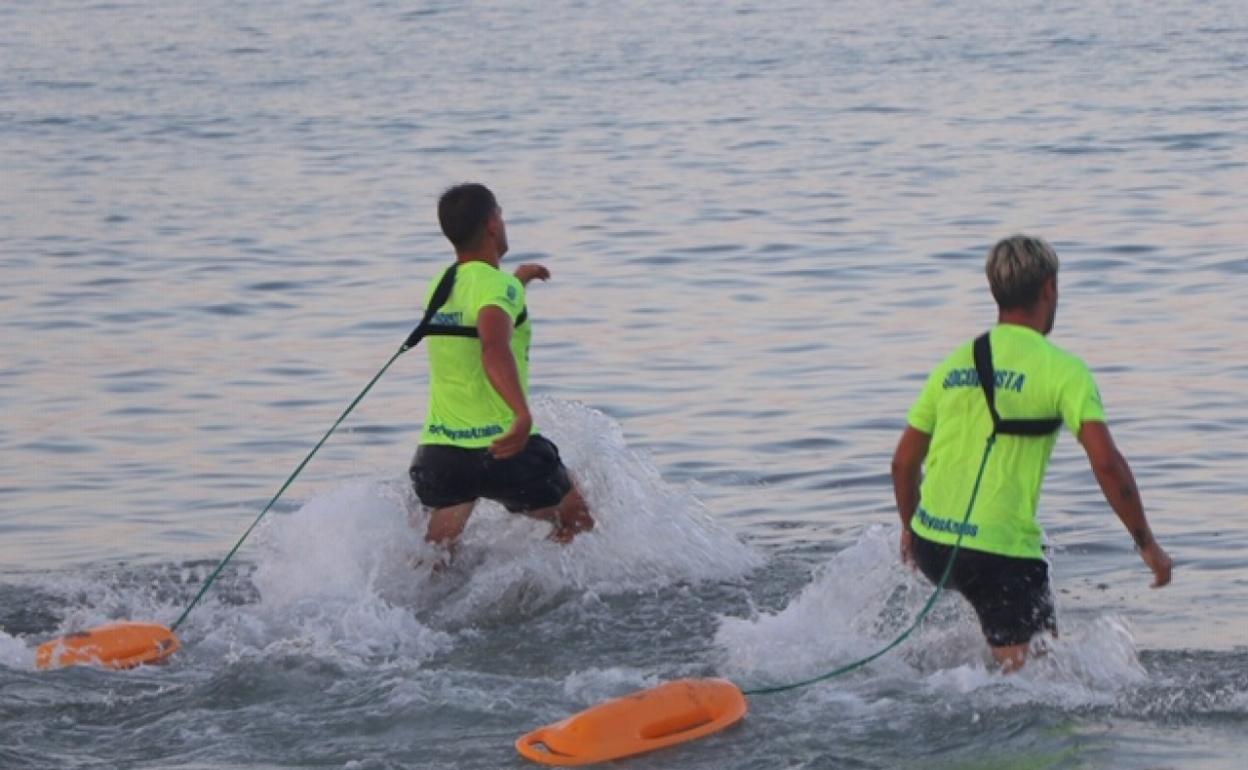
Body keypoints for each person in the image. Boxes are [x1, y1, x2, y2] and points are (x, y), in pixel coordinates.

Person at [890, 235, 1172, 671]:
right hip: (999, 554)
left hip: (934, 545)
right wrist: (1146, 543)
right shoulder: (1063, 371)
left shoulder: (954, 363)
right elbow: (1107, 464)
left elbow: (903, 461)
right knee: (1042, 687)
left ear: (995, 291)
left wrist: (911, 529)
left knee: (1004, 629)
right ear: (1049, 288)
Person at [408, 183, 593, 558]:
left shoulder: (439, 287)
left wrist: (518, 283)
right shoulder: (498, 289)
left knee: (435, 556)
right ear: (493, 224)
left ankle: (400, 611)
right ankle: (531, 597)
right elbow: (493, 345)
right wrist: (522, 415)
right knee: (579, 522)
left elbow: (481, 307)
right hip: (504, 451)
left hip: (442, 455)